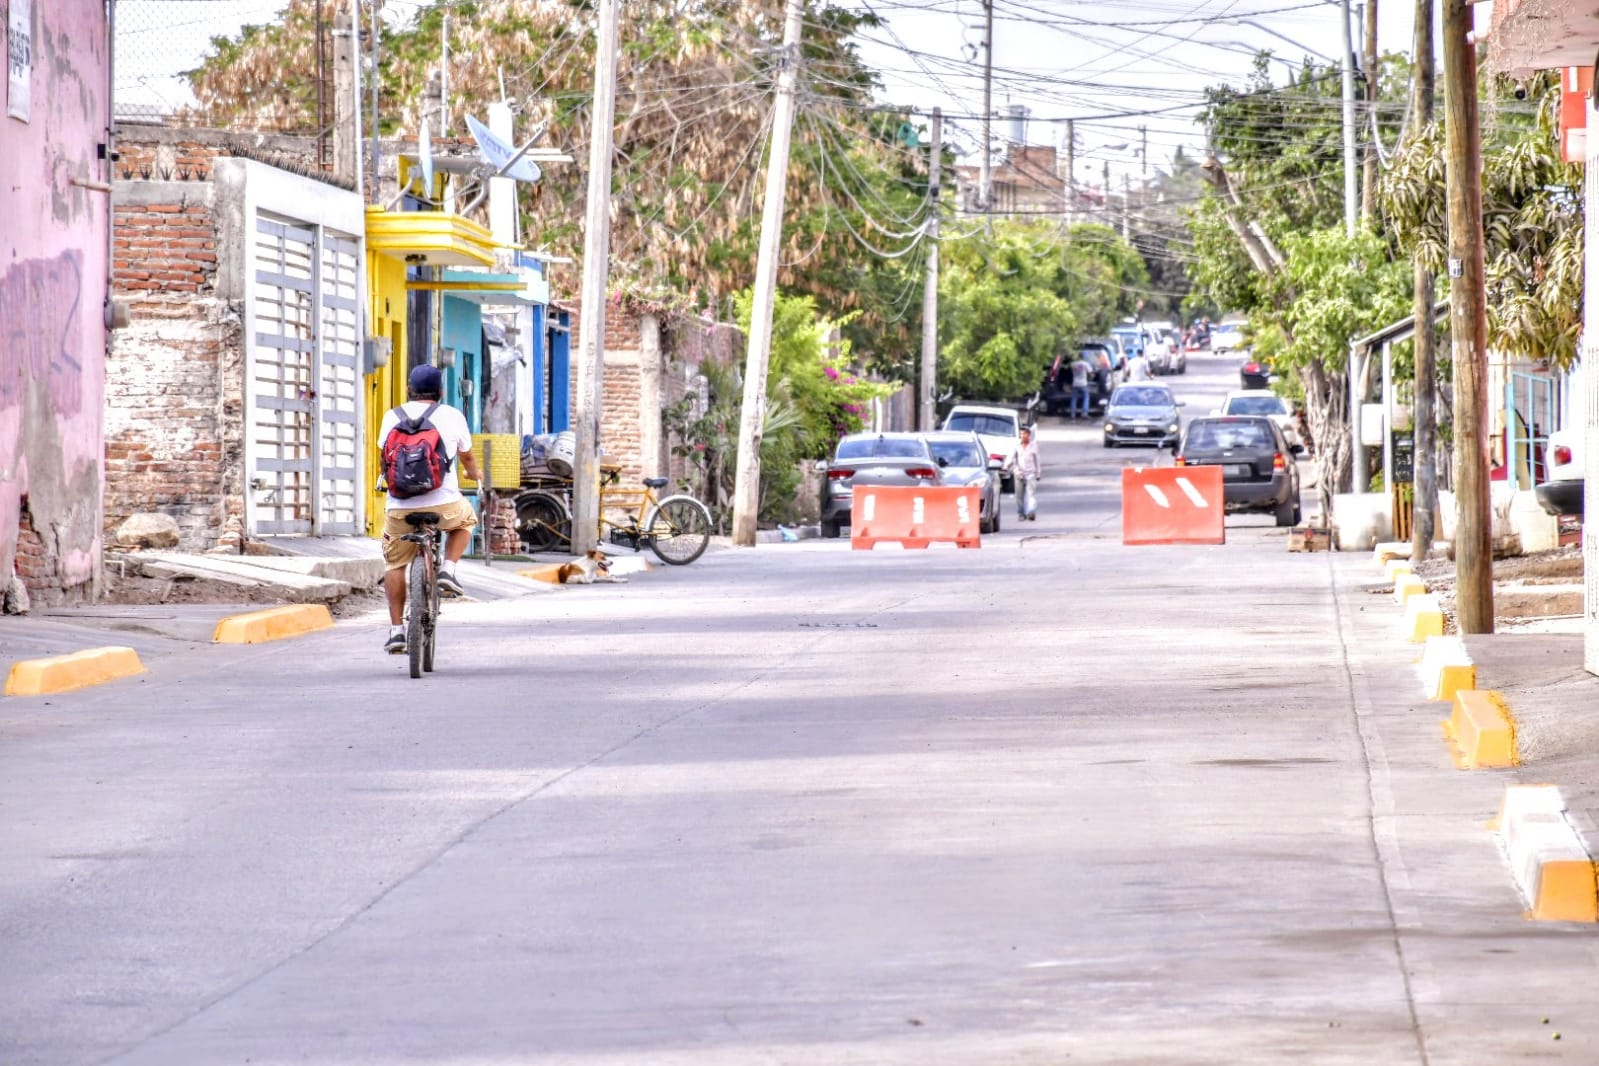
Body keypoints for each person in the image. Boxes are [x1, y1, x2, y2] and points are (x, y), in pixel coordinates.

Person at [378, 364, 482, 654]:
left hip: (399, 507)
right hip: (444, 503)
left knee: (394, 565)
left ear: (409, 389)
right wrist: (475, 474)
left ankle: (397, 631)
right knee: (466, 520)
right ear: (440, 391)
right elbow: (467, 457)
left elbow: (384, 459)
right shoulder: (452, 415)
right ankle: (448, 569)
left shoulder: (391, 416)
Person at [1013, 424, 1041, 521]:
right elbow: (1012, 459)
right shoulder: (1017, 445)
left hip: (1030, 473)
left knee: (1031, 494)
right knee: (1019, 496)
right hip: (1019, 474)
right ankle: (1021, 513)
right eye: (1021, 434)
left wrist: (1038, 473)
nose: (1022, 436)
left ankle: (1031, 512)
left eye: (1024, 434)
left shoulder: (1033, 446)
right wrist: (1008, 467)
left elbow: (1037, 460)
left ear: (1029, 435)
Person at [1069, 352, 1093, 420]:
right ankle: (1084, 414)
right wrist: (1090, 379)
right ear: (1083, 357)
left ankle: (1072, 415)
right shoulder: (1085, 364)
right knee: (1086, 397)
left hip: (1075, 383)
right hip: (1083, 384)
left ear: (1078, 357)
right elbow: (1091, 373)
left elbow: (1071, 372)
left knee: (1074, 399)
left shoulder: (1073, 364)